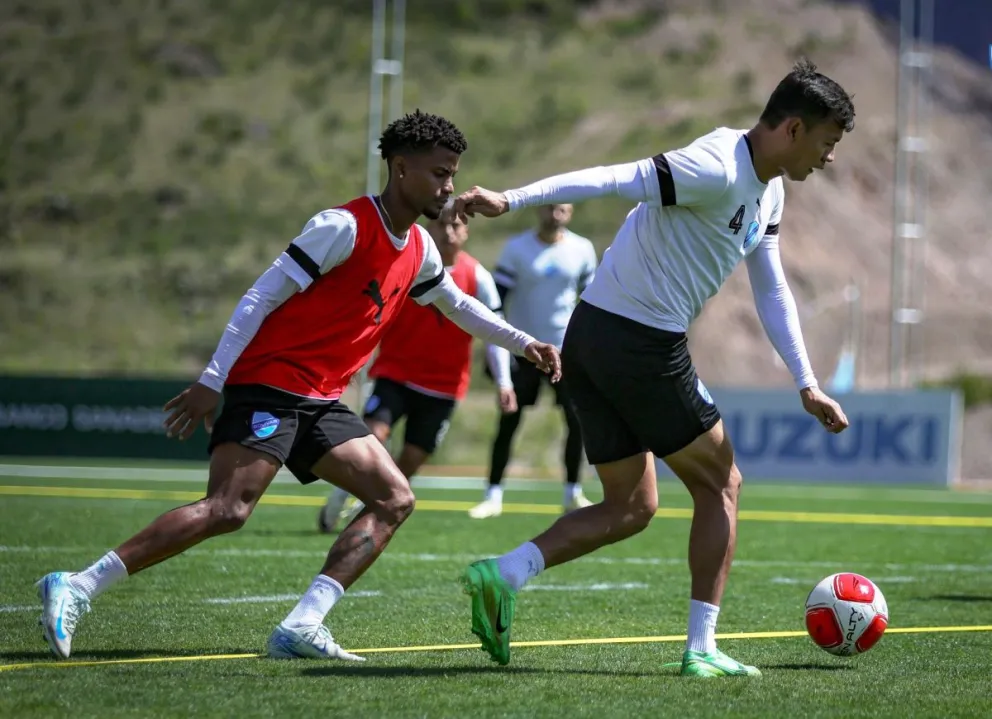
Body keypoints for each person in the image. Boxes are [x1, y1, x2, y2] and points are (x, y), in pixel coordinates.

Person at [34, 110, 560, 662]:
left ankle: (303, 624)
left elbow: (459, 307)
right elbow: (259, 297)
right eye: (438, 173)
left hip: (321, 397)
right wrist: (213, 379)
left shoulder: (421, 249)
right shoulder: (343, 226)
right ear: (400, 168)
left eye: (453, 174)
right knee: (228, 510)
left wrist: (525, 343)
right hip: (271, 383)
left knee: (394, 498)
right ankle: (78, 584)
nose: (449, 187)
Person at [453, 59, 853, 677]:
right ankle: (702, 650)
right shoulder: (717, 165)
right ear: (794, 129)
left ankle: (502, 575)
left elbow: (771, 289)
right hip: (637, 343)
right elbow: (614, 178)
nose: (828, 159)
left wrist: (806, 380)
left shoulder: (768, 191)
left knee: (631, 506)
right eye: (827, 142)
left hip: (592, 338)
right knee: (722, 483)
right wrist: (514, 198)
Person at [317, 201, 512, 533]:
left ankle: (366, 509)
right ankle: (341, 496)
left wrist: (504, 382)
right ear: (429, 229)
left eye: (456, 226)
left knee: (409, 462)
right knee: (373, 436)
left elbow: (493, 330)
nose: (448, 232)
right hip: (396, 373)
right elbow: (371, 313)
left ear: (466, 232)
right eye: (441, 225)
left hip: (443, 387)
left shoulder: (477, 276)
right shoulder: (410, 263)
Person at [468, 203, 599, 519]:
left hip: (565, 351)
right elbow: (495, 301)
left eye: (563, 208)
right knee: (509, 420)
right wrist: (497, 345)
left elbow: (593, 301)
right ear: (539, 209)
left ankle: (572, 492)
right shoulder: (517, 249)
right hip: (524, 349)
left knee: (576, 421)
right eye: (550, 207)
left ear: (571, 211)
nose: (556, 213)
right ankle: (493, 495)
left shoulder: (582, 249)